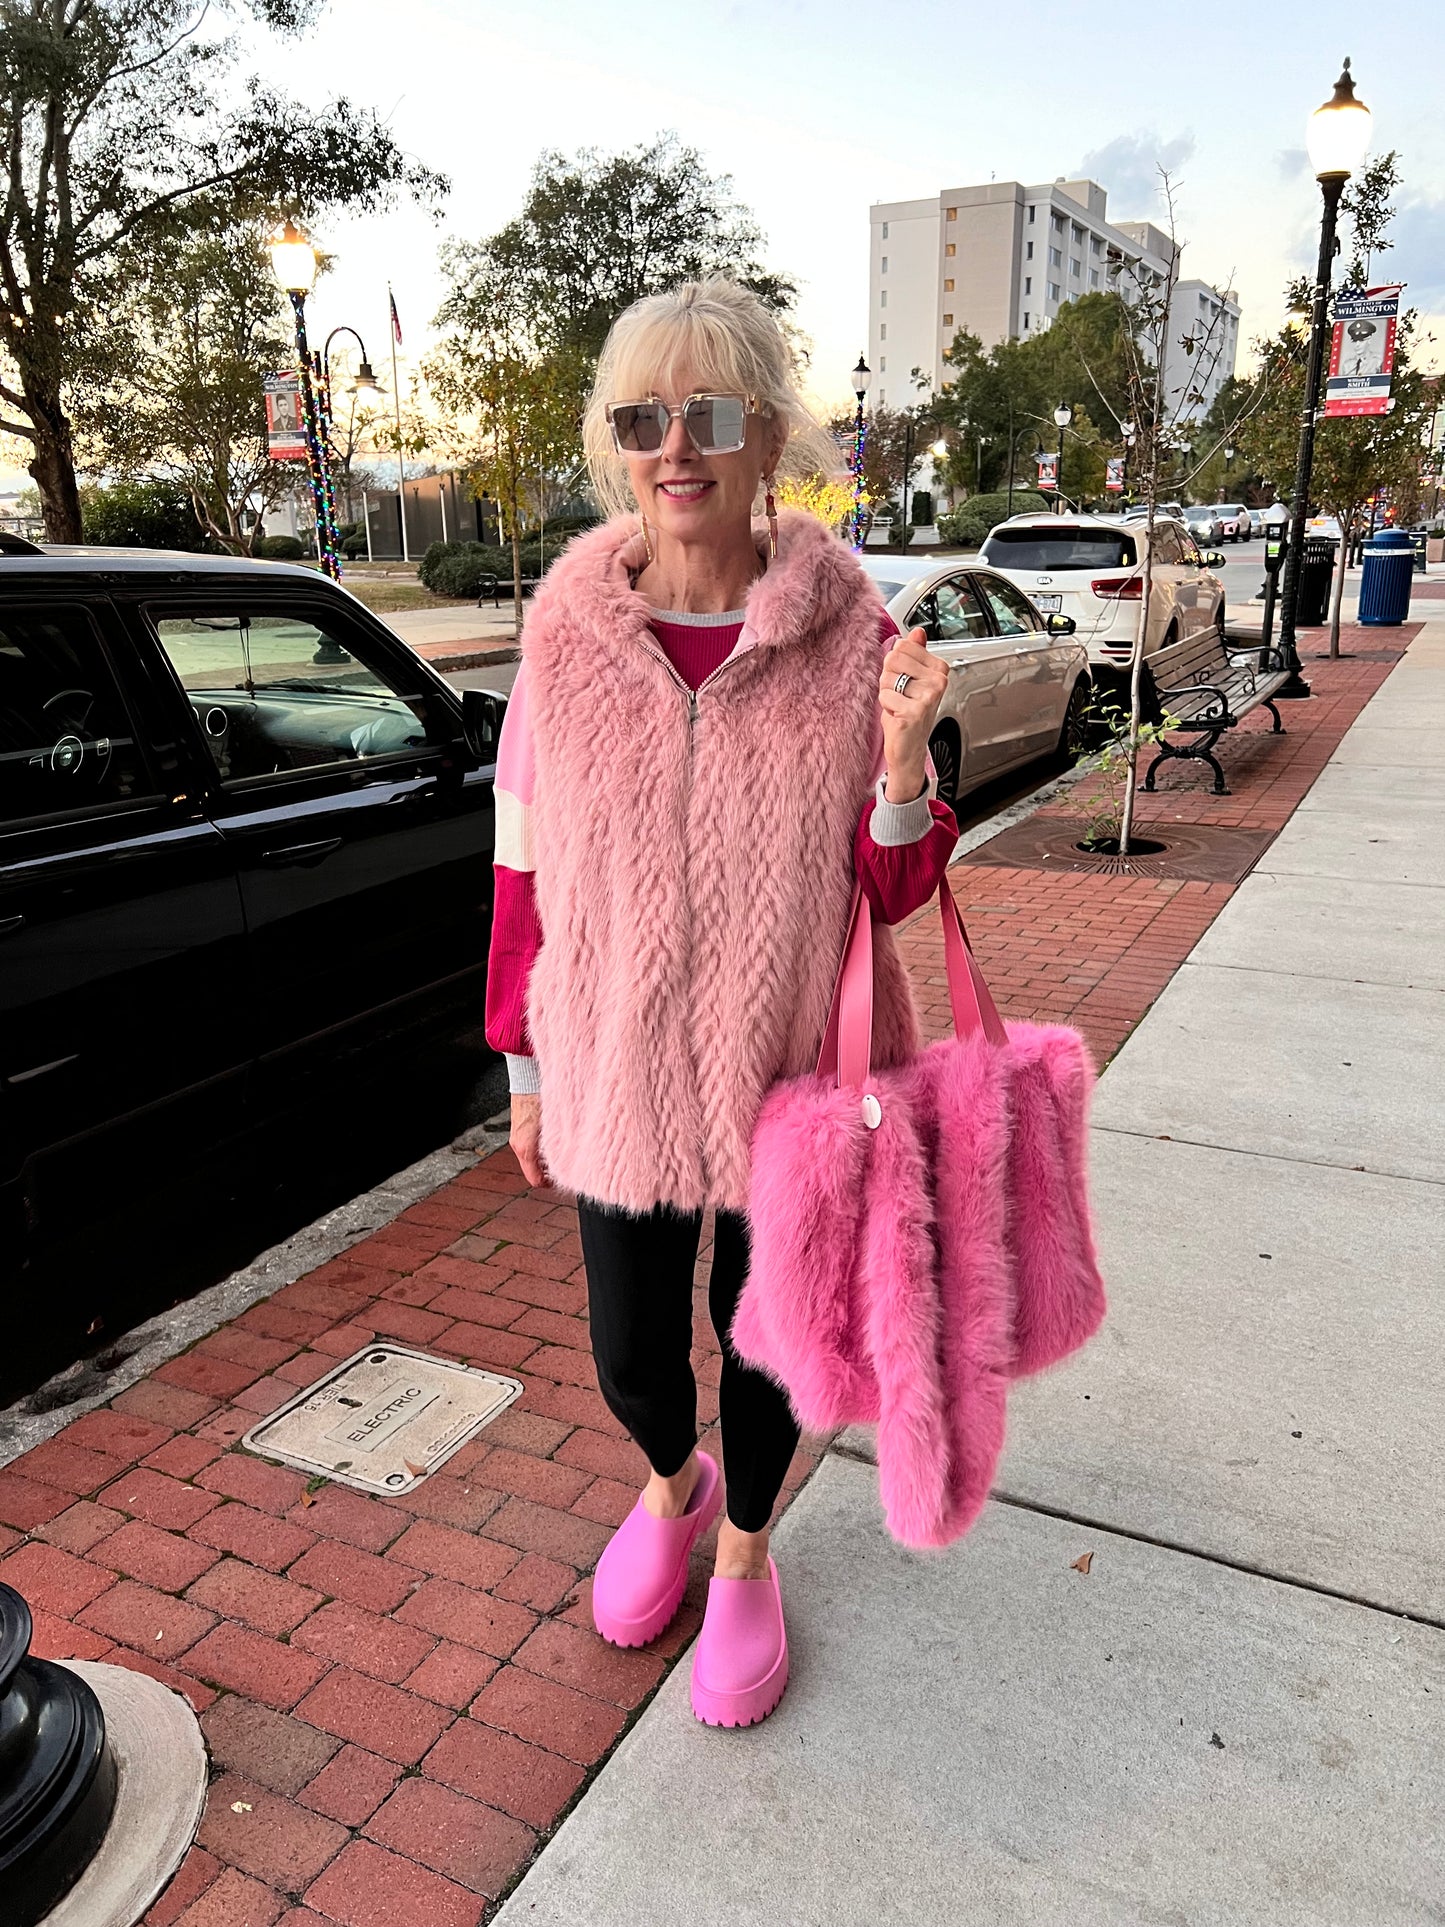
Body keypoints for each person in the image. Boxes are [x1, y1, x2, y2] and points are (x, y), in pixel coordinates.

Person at [484, 278, 956, 1729]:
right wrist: (520, 1063)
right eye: (642, 417)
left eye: (710, 413)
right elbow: (518, 857)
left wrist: (900, 774)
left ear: (767, 433)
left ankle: (745, 1545)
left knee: (772, 1340)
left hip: (791, 1071)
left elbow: (898, 891)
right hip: (614, 1058)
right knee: (630, 1352)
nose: (674, 446)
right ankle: (668, 1484)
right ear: (613, 443)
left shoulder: (849, 629)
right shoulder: (565, 635)